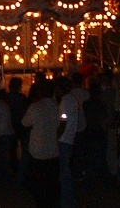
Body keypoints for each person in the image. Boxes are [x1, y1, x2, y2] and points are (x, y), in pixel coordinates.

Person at [22, 80, 59, 208]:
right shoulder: (56, 106)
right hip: (53, 149)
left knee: (39, 180)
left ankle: (41, 202)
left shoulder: (35, 107)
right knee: (51, 180)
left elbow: (25, 123)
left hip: (38, 149)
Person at [56, 76, 78, 208]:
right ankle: (68, 199)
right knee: (66, 170)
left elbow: (63, 121)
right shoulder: (72, 100)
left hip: (64, 139)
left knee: (64, 171)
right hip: (70, 138)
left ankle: (66, 200)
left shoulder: (65, 101)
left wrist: (57, 137)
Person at [7, 76, 29, 180]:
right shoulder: (22, 97)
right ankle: (23, 167)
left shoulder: (7, 97)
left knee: (12, 147)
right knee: (24, 146)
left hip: (12, 123)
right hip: (20, 124)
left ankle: (14, 167)